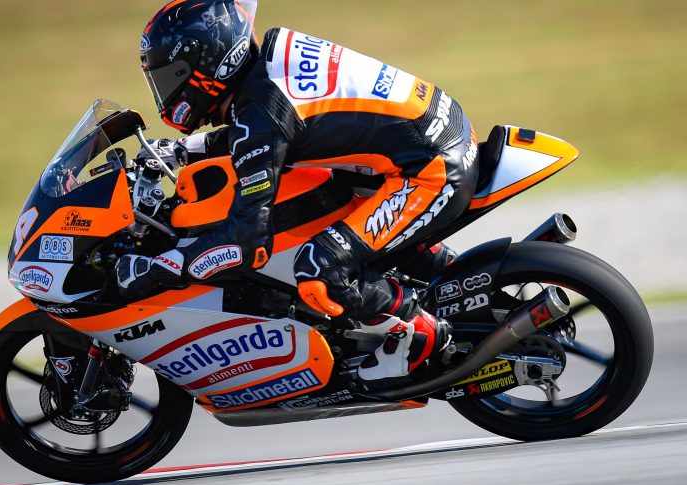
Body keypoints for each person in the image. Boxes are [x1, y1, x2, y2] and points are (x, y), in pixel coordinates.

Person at [117, 0, 478, 382]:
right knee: (325, 206)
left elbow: (245, 244)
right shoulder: (265, 72)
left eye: (173, 75)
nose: (168, 90)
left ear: (211, 63)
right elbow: (263, 134)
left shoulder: (263, 110)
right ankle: (444, 275)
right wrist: (181, 151)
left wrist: (159, 267)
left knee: (318, 266)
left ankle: (418, 335)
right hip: (434, 135)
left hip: (430, 171)